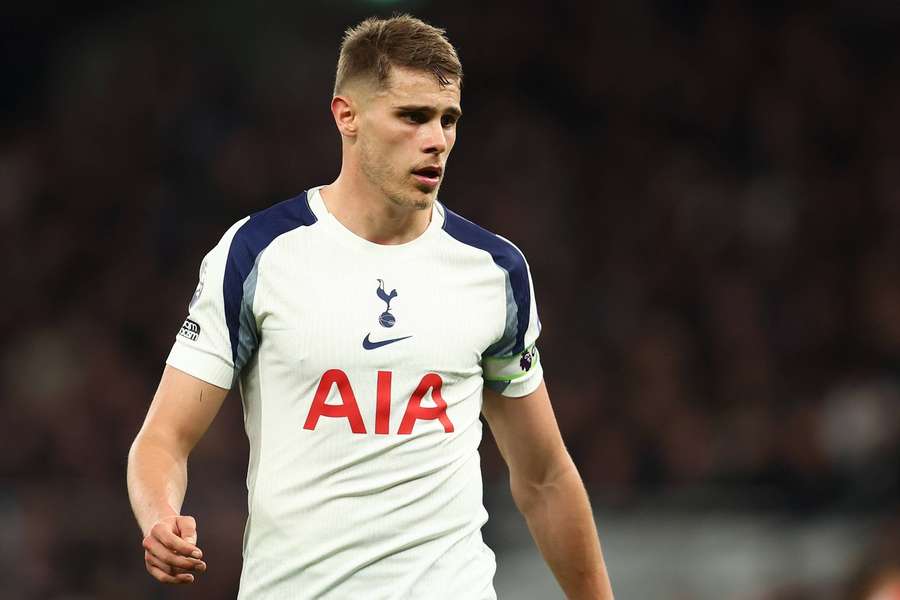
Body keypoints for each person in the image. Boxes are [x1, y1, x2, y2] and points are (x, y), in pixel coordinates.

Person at [127, 14, 614, 599]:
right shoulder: (258, 255)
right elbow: (162, 439)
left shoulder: (493, 270)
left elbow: (543, 479)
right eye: (412, 116)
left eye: (448, 119)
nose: (436, 139)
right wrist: (159, 517)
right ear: (346, 116)